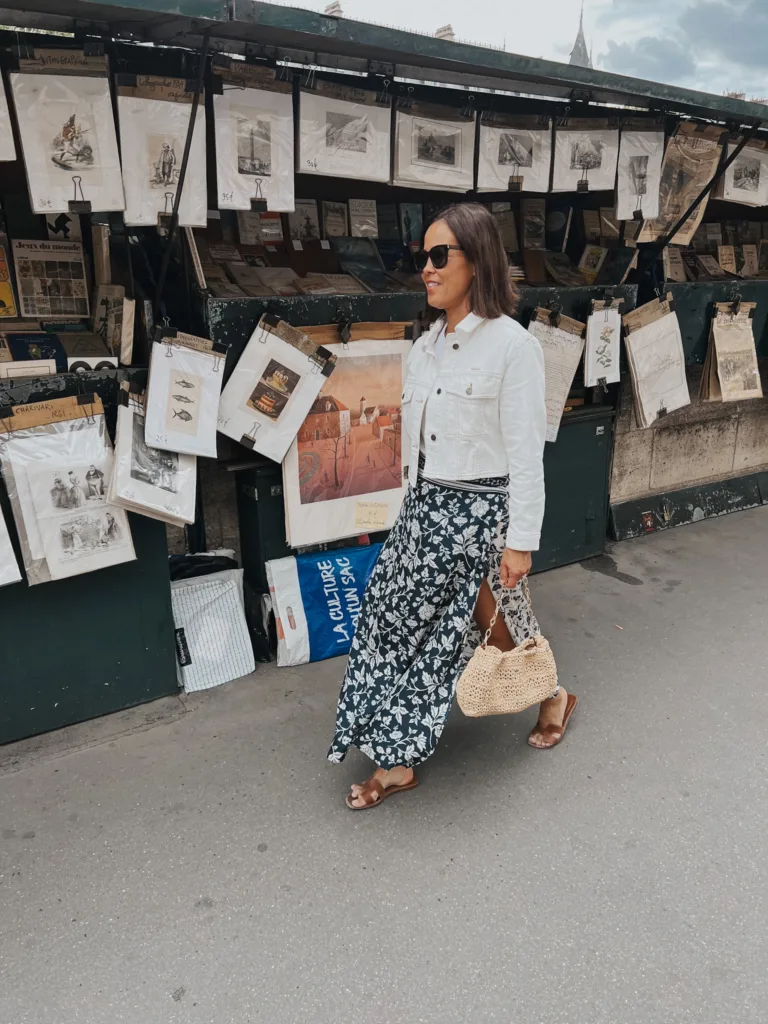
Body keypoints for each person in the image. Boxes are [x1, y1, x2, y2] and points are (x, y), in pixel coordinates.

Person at [328, 202, 578, 809]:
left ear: (478, 260)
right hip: (423, 515)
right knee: (394, 624)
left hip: (479, 519)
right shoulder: (425, 347)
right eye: (424, 258)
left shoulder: (512, 348)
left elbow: (526, 455)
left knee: (454, 633)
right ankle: (539, 699)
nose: (428, 269)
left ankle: (401, 760)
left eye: (441, 256)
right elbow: (416, 447)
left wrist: (520, 539)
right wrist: (407, 514)